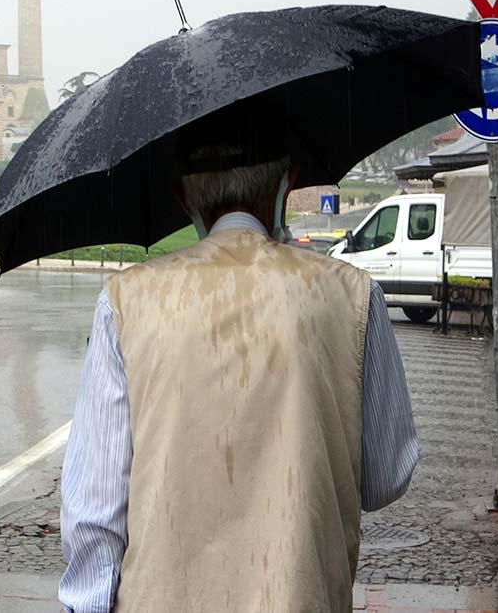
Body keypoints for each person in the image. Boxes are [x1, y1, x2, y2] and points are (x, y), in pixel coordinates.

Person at [58, 137, 418, 612]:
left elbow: (94, 508)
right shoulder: (349, 294)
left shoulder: (126, 301)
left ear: (182, 198)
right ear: (287, 184)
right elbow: (384, 477)